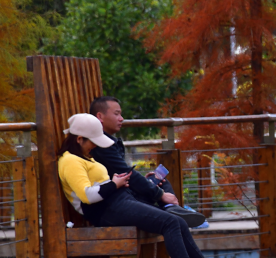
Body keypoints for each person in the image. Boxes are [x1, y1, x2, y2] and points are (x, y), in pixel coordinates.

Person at [57, 113, 239, 258]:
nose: (95, 147)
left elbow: (97, 185)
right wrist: (114, 184)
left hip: (118, 200)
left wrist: (116, 182)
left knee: (178, 221)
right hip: (106, 209)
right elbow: (87, 196)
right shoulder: (70, 161)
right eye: (93, 142)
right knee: (170, 222)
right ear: (79, 139)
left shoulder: (84, 157)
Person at [88, 96, 206, 228]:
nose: (121, 118)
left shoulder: (109, 142)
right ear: (100, 116)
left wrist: (149, 185)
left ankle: (172, 208)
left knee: (161, 181)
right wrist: (159, 195)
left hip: (125, 194)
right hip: (116, 203)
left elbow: (125, 174)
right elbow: (127, 173)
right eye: (117, 114)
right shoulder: (100, 145)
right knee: (171, 220)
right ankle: (171, 210)